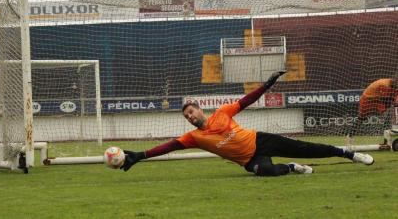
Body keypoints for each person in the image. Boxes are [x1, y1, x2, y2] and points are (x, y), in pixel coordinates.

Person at [120, 71, 374, 177]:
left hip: (260, 140)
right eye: (186, 116)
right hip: (250, 159)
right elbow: (168, 147)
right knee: (265, 172)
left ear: (199, 109)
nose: (189, 117)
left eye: (191, 112)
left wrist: (268, 84)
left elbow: (247, 99)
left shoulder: (222, 112)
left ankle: (351, 154)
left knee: (311, 148)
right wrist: (140, 156)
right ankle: (292, 167)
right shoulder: (193, 138)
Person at [347, 77, 398, 143]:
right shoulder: (384, 85)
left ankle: (389, 135)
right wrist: (394, 102)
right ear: (395, 81)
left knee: (389, 109)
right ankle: (350, 135)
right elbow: (386, 100)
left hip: (378, 100)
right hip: (368, 99)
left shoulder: (393, 87)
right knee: (361, 118)